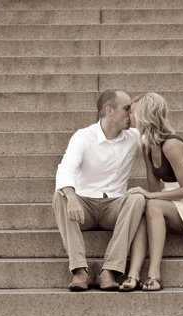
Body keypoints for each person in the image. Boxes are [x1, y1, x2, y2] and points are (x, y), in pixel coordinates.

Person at [119, 93, 183, 291]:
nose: (129, 115)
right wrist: (147, 196)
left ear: (146, 114)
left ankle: (154, 275)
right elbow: (155, 188)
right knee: (141, 204)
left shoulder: (172, 144)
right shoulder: (147, 144)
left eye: (133, 112)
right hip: (172, 203)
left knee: (151, 202)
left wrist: (151, 196)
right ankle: (133, 274)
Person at [53, 90, 147, 291]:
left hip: (114, 206)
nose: (132, 114)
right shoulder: (84, 136)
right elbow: (65, 168)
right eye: (127, 109)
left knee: (138, 199)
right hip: (83, 208)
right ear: (109, 110)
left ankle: (110, 270)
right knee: (60, 195)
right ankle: (79, 270)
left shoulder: (134, 137)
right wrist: (72, 197)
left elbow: (159, 145)